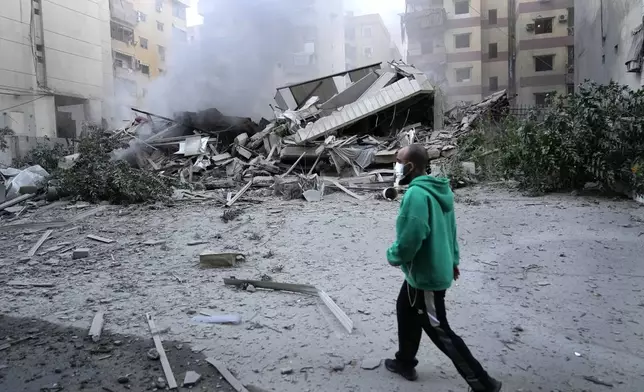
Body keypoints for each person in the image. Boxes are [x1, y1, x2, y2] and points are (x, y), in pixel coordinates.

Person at [385, 144, 502, 392]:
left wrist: (394, 255)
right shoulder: (438, 190)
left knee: (440, 330)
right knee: (405, 310)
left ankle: (482, 383)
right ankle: (405, 361)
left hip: (426, 276)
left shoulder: (416, 195)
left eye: (398, 160)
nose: (395, 165)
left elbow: (410, 238)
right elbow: (451, 230)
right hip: (430, 269)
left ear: (410, 166)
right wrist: (453, 261)